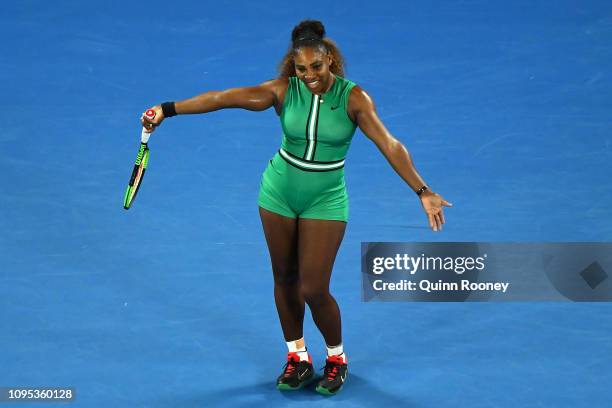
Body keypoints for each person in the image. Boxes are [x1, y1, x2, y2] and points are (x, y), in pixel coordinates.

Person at [141, 20, 452, 396]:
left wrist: (422, 190)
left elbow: (389, 144)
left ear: (330, 60)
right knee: (284, 279)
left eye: (316, 68)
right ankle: (298, 357)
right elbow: (222, 98)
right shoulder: (282, 91)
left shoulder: (355, 99)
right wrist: (166, 109)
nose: (309, 77)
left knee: (314, 287)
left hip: (326, 199)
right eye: (301, 69)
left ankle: (336, 358)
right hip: (277, 193)